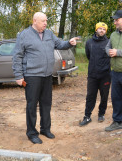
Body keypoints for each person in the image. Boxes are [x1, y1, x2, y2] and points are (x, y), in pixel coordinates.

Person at [12, 12, 78, 144]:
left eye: (46, 21)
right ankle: (32, 133)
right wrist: (18, 75)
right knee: (32, 105)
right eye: (43, 21)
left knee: (46, 104)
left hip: (47, 76)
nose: (45, 23)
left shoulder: (49, 34)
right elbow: (17, 56)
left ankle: (45, 129)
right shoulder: (24, 35)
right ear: (35, 21)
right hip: (32, 76)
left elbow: (60, 44)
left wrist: (69, 43)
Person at [79, 22, 111, 126]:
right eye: (100, 29)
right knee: (90, 96)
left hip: (105, 75)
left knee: (104, 96)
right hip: (92, 74)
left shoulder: (109, 42)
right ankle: (87, 116)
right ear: (96, 30)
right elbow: (89, 56)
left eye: (104, 29)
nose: (102, 31)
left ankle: (101, 113)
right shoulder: (89, 42)